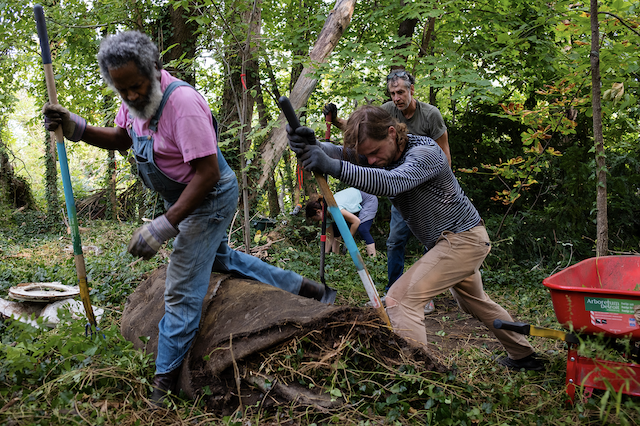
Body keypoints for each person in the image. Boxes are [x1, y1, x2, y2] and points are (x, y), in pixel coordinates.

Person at [42, 31, 336, 404]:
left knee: (182, 284)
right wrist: (76, 127)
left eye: (137, 86)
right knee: (220, 259)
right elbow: (123, 137)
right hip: (185, 195)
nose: (131, 96)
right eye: (122, 91)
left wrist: (165, 225)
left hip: (209, 195)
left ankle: (162, 386)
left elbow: (208, 173)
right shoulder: (132, 99)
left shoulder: (183, 104)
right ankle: (305, 288)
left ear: (155, 68)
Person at [287, 105, 545, 371]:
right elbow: (346, 154)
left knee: (401, 299)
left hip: (463, 239)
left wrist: (331, 165)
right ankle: (524, 355)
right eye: (368, 155)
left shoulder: (425, 153)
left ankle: (418, 376)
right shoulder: (385, 153)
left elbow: (391, 182)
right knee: (475, 302)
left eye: (375, 152)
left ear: (391, 133)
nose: (371, 160)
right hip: (450, 241)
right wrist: (314, 145)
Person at [323, 69, 449, 314]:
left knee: (432, 242)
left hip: (426, 189)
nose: (396, 97)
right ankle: (394, 290)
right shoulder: (387, 112)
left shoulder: (430, 115)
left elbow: (444, 153)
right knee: (395, 241)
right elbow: (364, 133)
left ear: (412, 90)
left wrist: (443, 190)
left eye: (400, 92)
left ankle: (426, 295)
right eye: (392, 93)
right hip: (400, 190)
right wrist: (336, 120)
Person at [306, 187, 379, 256]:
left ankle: (373, 260)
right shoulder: (326, 216)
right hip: (357, 202)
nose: (315, 221)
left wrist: (348, 241)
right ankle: (336, 256)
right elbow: (330, 237)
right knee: (335, 230)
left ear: (318, 212)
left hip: (368, 199)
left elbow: (356, 221)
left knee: (363, 229)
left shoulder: (332, 208)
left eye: (314, 219)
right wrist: (324, 254)